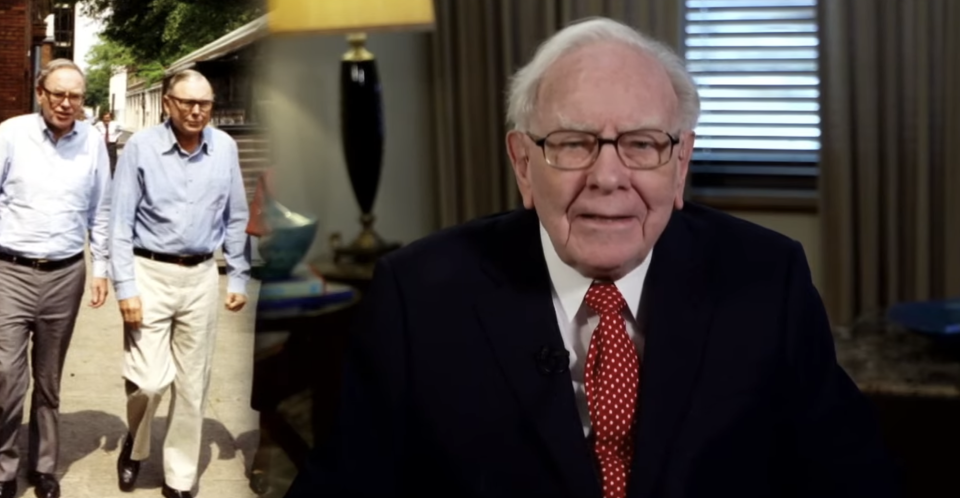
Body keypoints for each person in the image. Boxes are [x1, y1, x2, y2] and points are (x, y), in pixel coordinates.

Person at [284, 17, 901, 498]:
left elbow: (853, 480)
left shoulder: (767, 278)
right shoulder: (416, 295)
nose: (609, 177)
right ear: (524, 165)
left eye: (641, 144)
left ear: (680, 163)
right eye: (574, 143)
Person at [109, 69, 251, 498]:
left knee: (193, 384)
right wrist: (125, 287)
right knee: (149, 381)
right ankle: (134, 446)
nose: (195, 110)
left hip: (202, 276)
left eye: (204, 103)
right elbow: (120, 222)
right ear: (167, 104)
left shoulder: (224, 147)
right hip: (149, 272)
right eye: (186, 102)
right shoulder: (141, 148)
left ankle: (180, 477)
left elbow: (237, 215)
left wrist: (239, 275)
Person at [0, 59, 111, 498]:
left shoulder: (93, 143)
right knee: (6, 376)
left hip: (66, 273)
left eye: (75, 96)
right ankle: (4, 467)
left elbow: (100, 210)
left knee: (49, 379)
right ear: (41, 93)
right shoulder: (10, 134)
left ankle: (44, 467)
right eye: (58, 94)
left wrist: (101, 267)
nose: (66, 103)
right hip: (10, 271)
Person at [93, 111, 122, 176]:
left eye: (108, 118)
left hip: (111, 144)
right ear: (102, 118)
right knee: (101, 159)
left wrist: (116, 137)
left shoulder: (114, 124)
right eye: (105, 118)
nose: (107, 119)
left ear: (110, 118)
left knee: (112, 160)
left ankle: (112, 174)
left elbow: (121, 130)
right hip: (102, 144)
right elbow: (93, 130)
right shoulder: (98, 125)